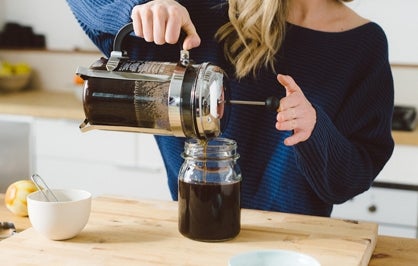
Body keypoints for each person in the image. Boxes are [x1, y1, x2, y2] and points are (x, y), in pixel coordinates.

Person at [66, 0, 394, 217]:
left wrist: (316, 130)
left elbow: (350, 180)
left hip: (296, 247)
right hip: (196, 237)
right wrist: (139, 8)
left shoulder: (364, 43)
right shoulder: (203, 12)